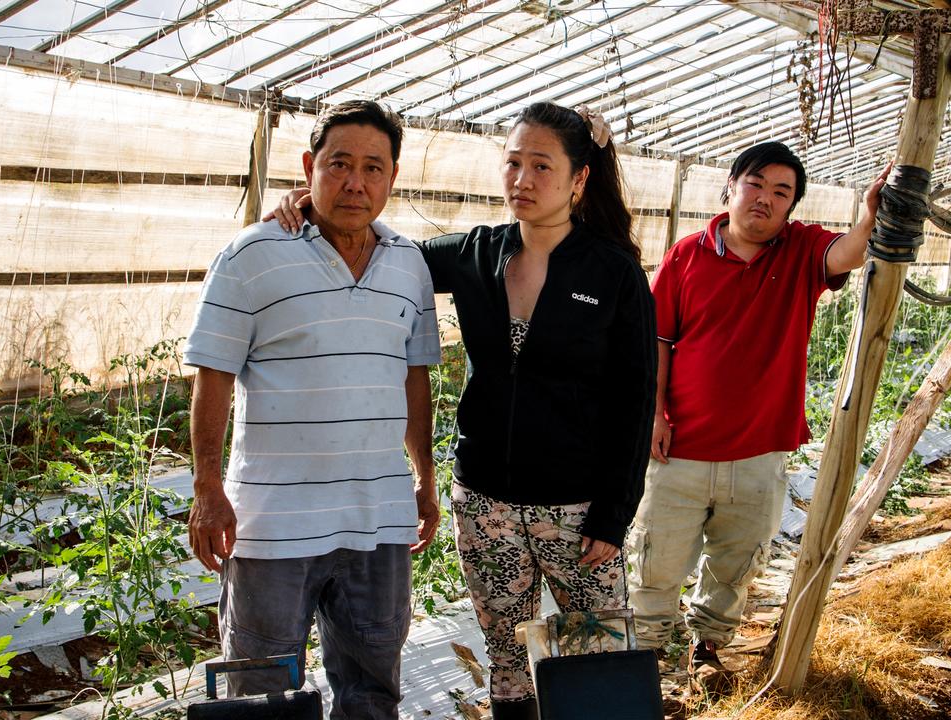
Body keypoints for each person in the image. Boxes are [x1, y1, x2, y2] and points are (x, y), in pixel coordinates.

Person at [270, 102, 656, 720]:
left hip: (578, 511)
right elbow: (379, 244)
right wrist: (304, 204)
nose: (523, 181)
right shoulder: (474, 254)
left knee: (594, 649)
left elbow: (636, 400)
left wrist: (614, 512)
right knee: (506, 657)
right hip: (485, 504)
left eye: (541, 166)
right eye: (513, 163)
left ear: (579, 179)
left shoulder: (612, 272)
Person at [184, 99, 442, 718]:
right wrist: (208, 488)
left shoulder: (409, 265)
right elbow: (212, 376)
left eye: (373, 168)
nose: (356, 182)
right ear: (309, 168)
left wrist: (425, 481)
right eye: (339, 164)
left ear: (392, 178)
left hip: (378, 521)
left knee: (373, 684)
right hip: (273, 525)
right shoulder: (250, 257)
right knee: (259, 689)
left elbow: (414, 382)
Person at [624, 141, 889, 671]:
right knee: (654, 562)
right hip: (680, 449)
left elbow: (849, 253)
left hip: (759, 452)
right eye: (755, 184)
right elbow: (656, 339)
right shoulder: (686, 255)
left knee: (735, 564)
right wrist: (654, 413)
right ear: (730, 186)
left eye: (781, 192)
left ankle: (708, 651)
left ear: (792, 206)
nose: (764, 199)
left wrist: (870, 218)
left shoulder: (800, 250)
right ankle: (651, 666)